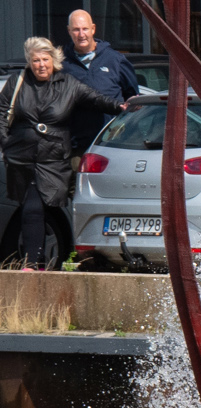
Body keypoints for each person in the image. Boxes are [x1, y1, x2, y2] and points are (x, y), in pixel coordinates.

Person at [4, 38, 122, 269]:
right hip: (22, 156)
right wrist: (5, 142)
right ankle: (32, 261)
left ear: (54, 61)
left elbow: (96, 99)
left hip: (54, 157)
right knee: (32, 205)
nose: (40, 65)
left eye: (45, 60)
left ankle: (52, 259)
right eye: (36, 60)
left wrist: (122, 107)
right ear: (29, 62)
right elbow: (1, 111)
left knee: (49, 206)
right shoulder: (17, 82)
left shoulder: (69, 83)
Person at [61, 9, 137, 159]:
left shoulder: (115, 59)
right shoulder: (61, 64)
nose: (81, 34)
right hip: (78, 147)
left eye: (85, 29)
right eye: (76, 30)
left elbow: (132, 96)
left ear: (93, 29)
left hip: (113, 143)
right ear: (69, 31)